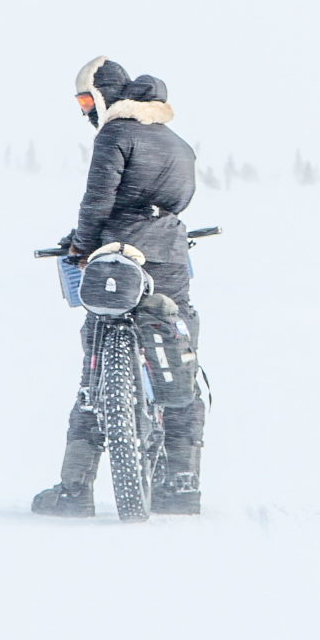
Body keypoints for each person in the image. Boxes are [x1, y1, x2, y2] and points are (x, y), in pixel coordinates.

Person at [33, 57, 206, 517]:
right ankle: (182, 485)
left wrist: (82, 246)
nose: (86, 111)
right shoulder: (178, 141)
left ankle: (75, 490)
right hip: (170, 255)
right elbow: (176, 205)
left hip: (119, 254)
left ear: (106, 96)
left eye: (87, 100)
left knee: (95, 363)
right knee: (179, 354)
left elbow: (99, 199)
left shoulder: (115, 133)